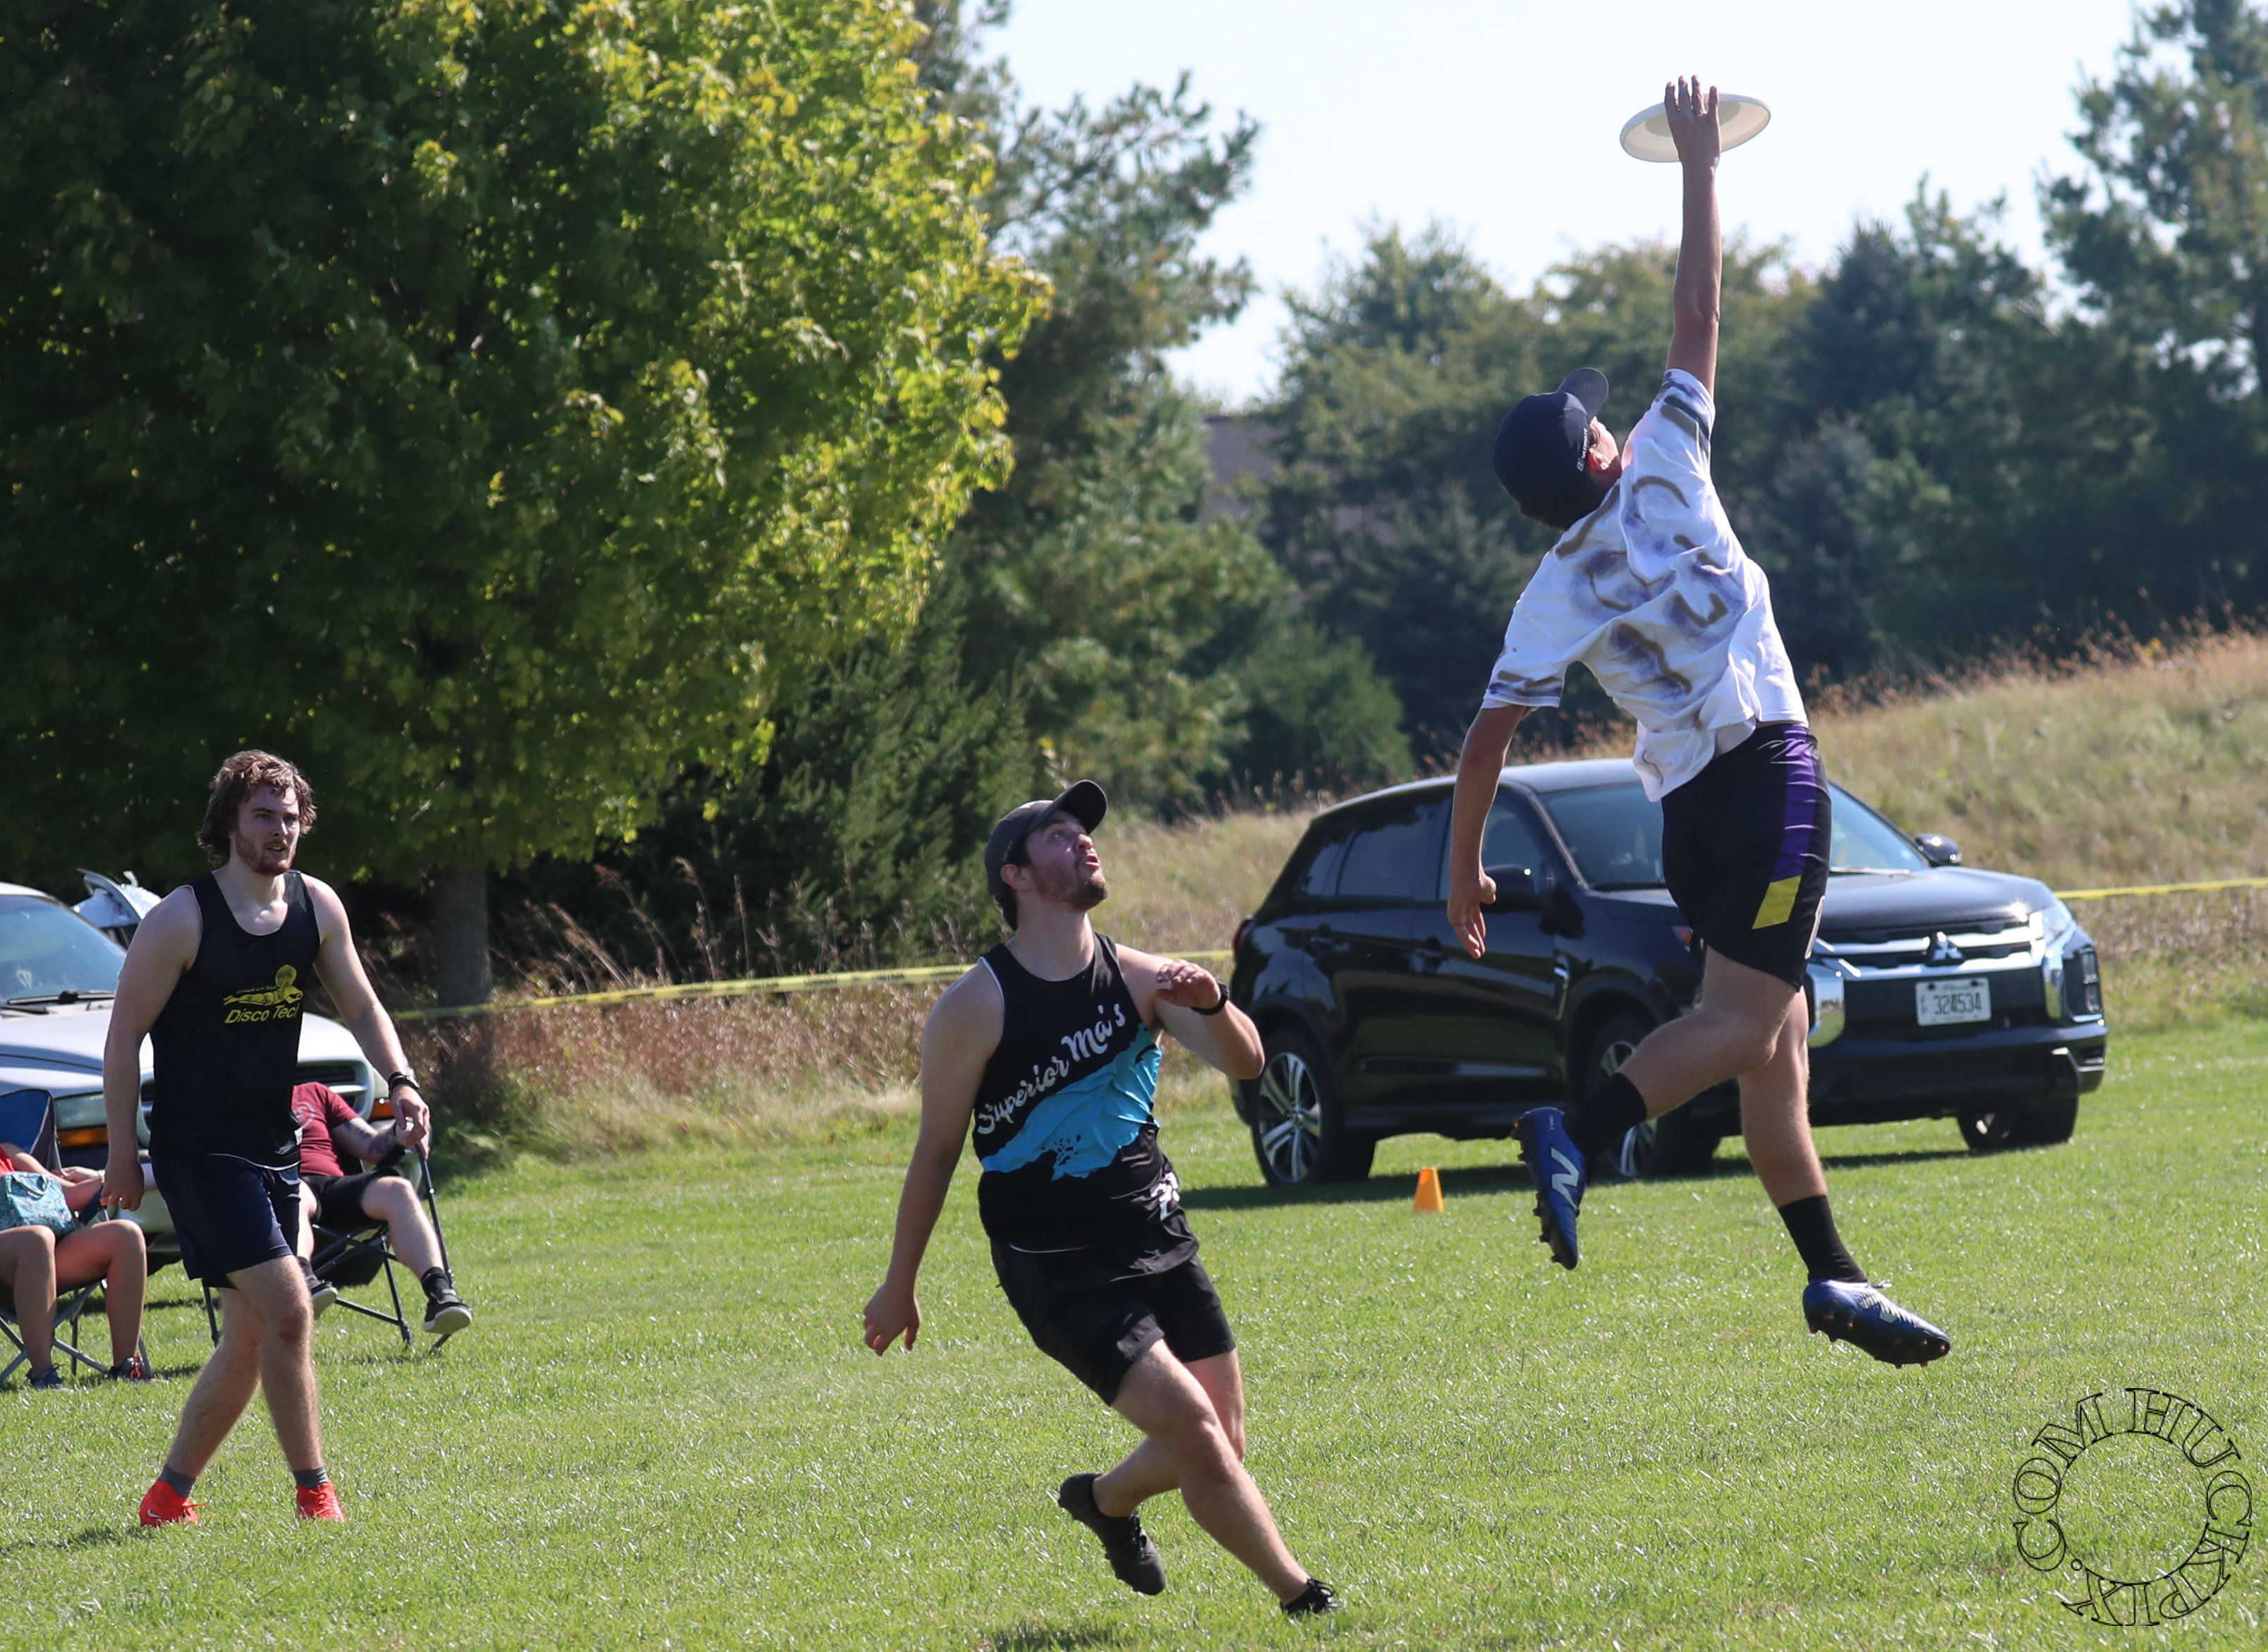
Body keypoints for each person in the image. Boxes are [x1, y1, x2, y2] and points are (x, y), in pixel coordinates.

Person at [1446, 78, 1950, 1367]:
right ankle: (1577, 1127)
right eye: (1596, 422)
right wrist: (1700, 161)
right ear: (1600, 454)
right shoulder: (1668, 456)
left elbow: (1487, 739)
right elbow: (1699, 308)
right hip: (1769, 777)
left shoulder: (1550, 590)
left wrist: (1460, 874)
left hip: (1684, 814)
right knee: (1737, 1027)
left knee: (1775, 1048)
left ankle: (1833, 1277)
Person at [862, 782, 1340, 1619]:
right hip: (1058, 1266)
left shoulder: (1142, 976)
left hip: (1159, 1234)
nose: (1083, 840)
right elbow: (935, 1152)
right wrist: (900, 1282)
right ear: (1014, 875)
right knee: (1197, 1433)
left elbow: (1248, 1063)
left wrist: (1213, 1002)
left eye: (1084, 831)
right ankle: (1304, 1598)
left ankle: (1103, 1499)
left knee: (1221, 1439)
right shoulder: (974, 1005)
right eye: (1058, 834)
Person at [102, 750, 434, 1525]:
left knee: (251, 1336)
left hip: (275, 1146)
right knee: (289, 1309)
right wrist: (122, 1152)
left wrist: (402, 1080)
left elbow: (361, 1003)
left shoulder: (316, 906)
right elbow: (122, 1038)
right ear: (229, 823)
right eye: (262, 815)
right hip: (200, 1151)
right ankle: (317, 1496)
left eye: (290, 817)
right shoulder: (181, 918)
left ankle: (167, 1497)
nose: (279, 830)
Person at [289, 1081, 471, 1336]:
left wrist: (400, 1133)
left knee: (399, 1189)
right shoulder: (239, 1103)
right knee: (293, 1194)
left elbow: (369, 1145)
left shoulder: (314, 1093)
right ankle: (303, 1283)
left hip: (334, 1187)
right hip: (283, 1187)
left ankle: (440, 1293)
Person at [0, 1143, 151, 1385]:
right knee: (37, 1238)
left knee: (126, 1234)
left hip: (42, 1258)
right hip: (19, 1252)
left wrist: (107, 1177)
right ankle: (44, 1374)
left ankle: (127, 1366)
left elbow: (68, 1195)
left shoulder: (8, 1153)